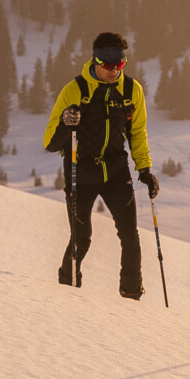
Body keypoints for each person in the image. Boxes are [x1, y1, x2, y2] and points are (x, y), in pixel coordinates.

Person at [43, 31, 157, 299]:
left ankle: (131, 295)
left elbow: (137, 132)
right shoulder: (75, 90)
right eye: (107, 65)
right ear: (95, 61)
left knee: (130, 236)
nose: (113, 71)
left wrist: (145, 170)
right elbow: (50, 142)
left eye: (119, 64)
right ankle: (67, 290)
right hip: (80, 171)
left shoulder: (131, 90)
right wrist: (64, 123)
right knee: (82, 237)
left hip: (116, 170)